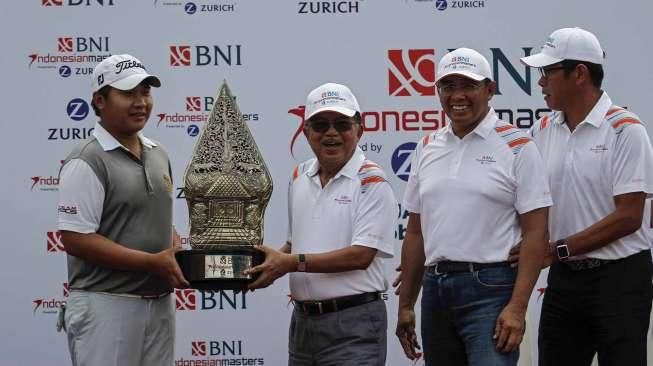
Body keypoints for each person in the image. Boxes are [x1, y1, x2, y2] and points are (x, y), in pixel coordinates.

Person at [395, 48, 552, 366]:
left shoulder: (518, 146)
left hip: (491, 290)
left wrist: (518, 308)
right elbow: (415, 232)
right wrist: (407, 304)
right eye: (448, 86)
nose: (457, 96)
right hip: (436, 290)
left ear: (490, 90)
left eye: (468, 85)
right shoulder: (427, 146)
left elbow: (536, 232)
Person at [518, 27, 653, 365]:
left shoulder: (626, 128)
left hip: (620, 278)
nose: (540, 83)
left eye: (547, 72)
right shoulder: (542, 129)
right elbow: (529, 203)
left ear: (579, 73)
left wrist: (560, 248)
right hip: (565, 279)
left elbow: (629, 217)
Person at [244, 82, 397, 365]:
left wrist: (288, 263)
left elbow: (361, 256)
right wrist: (264, 265)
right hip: (303, 324)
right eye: (320, 125)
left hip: (354, 324)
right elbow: (295, 243)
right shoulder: (299, 175)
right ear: (305, 132)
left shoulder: (371, 180)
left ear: (359, 130)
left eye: (342, 124)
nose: (331, 133)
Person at [57, 54, 189, 366]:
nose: (141, 102)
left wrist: (174, 245)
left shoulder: (159, 154)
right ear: (100, 101)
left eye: (145, 92)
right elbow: (77, 239)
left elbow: (152, 220)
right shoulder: (86, 160)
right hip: (105, 304)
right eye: (128, 93)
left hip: (159, 304)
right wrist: (152, 262)